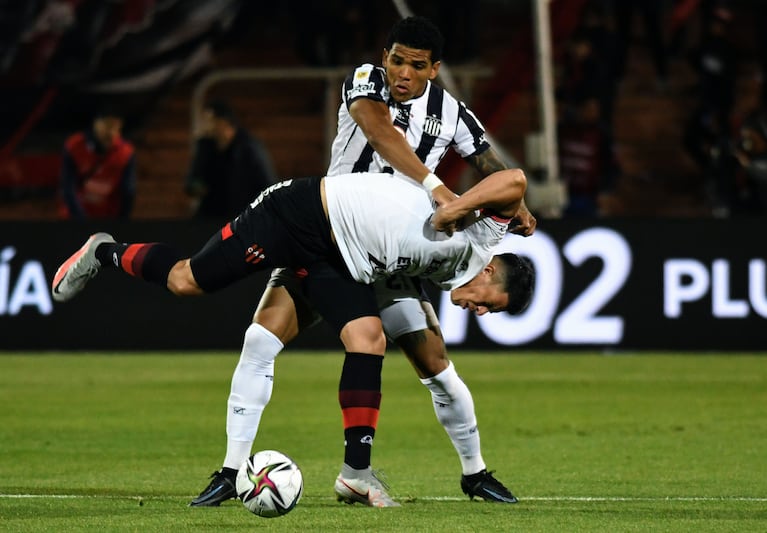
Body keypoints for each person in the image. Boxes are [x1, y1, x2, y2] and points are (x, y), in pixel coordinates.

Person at [189, 16, 536, 508]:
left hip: (395, 259)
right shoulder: (367, 80)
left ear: (434, 69)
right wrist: (441, 191)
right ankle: (230, 469)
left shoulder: (451, 112)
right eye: (396, 59)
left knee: (436, 366)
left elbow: (489, 161)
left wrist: (515, 204)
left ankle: (472, 474)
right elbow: (378, 133)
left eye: (416, 66)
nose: (402, 73)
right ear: (386, 56)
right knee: (260, 338)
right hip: (332, 237)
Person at [51, 169, 536, 505]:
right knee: (187, 281)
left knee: (368, 339)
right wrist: (455, 205)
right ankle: (106, 251)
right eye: (488, 303)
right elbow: (514, 181)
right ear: (491, 271)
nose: (478, 310)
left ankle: (354, 475)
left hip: (340, 258)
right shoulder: (480, 241)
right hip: (296, 214)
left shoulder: (458, 267)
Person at [185, 99, 276, 219]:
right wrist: (197, 187)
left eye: (209, 121)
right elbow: (193, 181)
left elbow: (266, 185)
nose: (205, 126)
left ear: (222, 122)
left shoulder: (249, 148)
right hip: (210, 217)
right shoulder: (205, 147)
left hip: (241, 217)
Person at [58, 107, 136, 219]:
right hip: (75, 218)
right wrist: (81, 220)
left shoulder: (125, 152)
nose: (110, 131)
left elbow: (128, 190)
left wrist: (121, 221)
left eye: (115, 126)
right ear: (96, 124)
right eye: (107, 125)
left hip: (108, 218)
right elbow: (68, 187)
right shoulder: (75, 146)